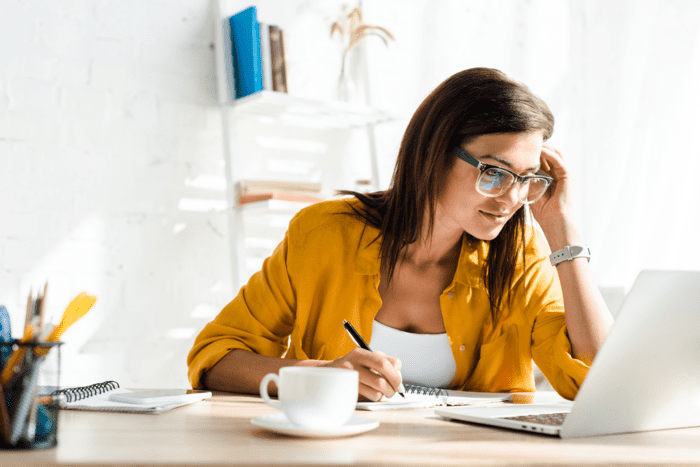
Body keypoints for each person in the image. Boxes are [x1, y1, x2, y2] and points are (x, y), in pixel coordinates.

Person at [187, 67, 614, 402]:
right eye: (494, 172)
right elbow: (216, 357)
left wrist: (564, 236)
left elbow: (603, 383)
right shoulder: (324, 233)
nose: (512, 197)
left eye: (527, 178)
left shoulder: (521, 255)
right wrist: (320, 376)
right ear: (433, 155)